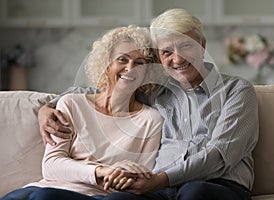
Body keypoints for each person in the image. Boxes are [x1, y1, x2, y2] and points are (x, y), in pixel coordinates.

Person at [38, 8, 259, 200]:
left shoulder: (236, 90)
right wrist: (47, 107)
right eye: (167, 52)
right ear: (160, 58)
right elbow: (109, 89)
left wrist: (161, 179)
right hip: (161, 189)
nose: (178, 59)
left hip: (216, 185)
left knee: (194, 193)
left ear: (202, 45)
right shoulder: (158, 90)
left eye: (185, 46)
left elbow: (219, 157)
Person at [1, 25, 163, 200]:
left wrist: (122, 174)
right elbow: (51, 165)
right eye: (122, 59)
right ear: (107, 64)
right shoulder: (71, 103)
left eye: (139, 63)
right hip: (42, 189)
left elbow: (139, 177)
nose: (130, 68)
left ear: (148, 72)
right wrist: (100, 171)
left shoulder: (151, 120)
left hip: (92, 196)